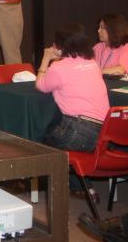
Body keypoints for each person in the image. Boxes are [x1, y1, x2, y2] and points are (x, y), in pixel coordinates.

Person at [36, 23, 109, 201]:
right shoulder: (92, 64)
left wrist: (46, 59)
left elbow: (40, 85)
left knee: (35, 141)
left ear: (60, 46)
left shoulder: (59, 68)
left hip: (78, 132)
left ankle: (42, 185)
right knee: (66, 149)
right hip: (103, 135)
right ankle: (83, 188)